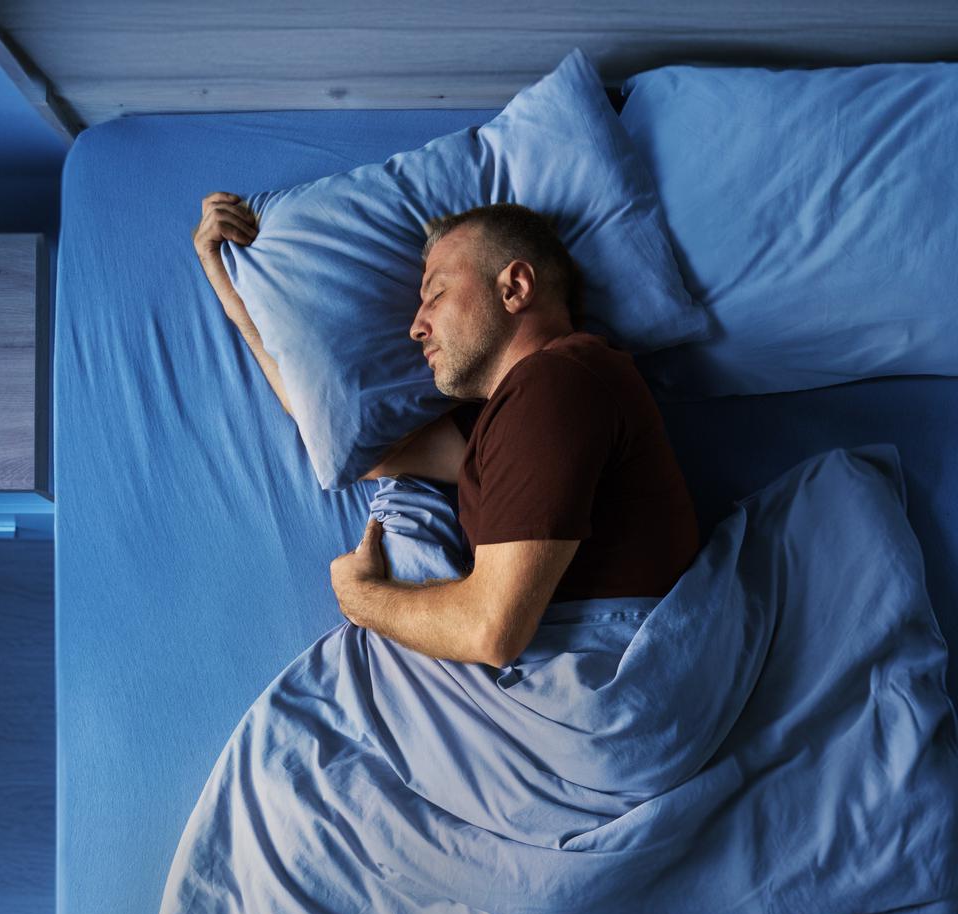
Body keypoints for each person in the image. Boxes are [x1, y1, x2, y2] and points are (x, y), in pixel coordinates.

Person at [192, 193, 699, 669]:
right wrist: (226, 279)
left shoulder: (556, 384)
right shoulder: (517, 412)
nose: (416, 326)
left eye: (436, 293)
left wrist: (361, 598)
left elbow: (490, 631)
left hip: (614, 684)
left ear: (514, 288)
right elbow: (347, 444)